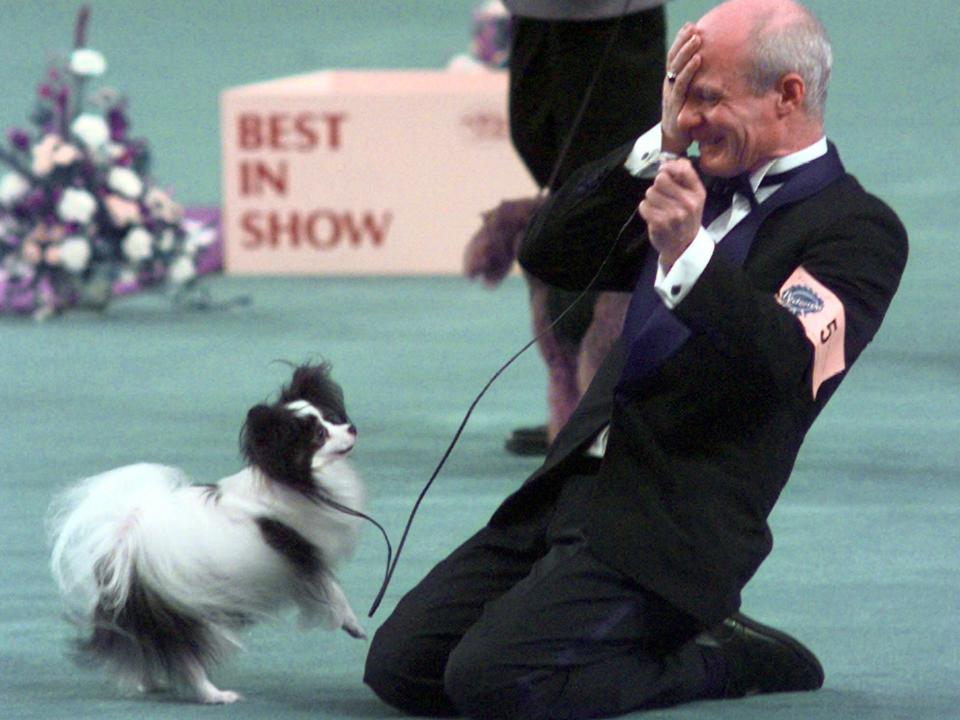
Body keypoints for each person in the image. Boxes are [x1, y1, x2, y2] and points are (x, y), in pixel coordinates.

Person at [366, 0, 908, 717]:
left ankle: (715, 657)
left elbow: (786, 365)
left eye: (707, 96)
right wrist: (658, 137)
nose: (694, 117)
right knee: (402, 669)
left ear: (788, 95)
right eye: (682, 92)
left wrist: (690, 255)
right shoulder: (686, 174)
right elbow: (549, 251)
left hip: (672, 527)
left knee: (490, 684)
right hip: (570, 494)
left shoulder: (855, 229)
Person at [464, 0, 668, 456]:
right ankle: (577, 401)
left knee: (617, 174)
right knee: (546, 149)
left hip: (612, 16)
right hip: (539, 11)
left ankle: (609, 408)